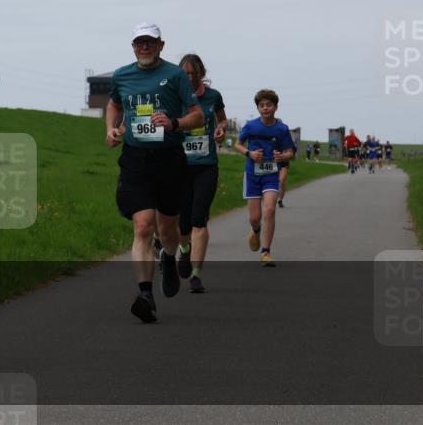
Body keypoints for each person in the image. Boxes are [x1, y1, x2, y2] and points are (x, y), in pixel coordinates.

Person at [105, 23, 204, 323]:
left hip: (170, 158)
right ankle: (145, 293)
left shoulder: (175, 75)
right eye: (139, 43)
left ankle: (169, 258)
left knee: (168, 229)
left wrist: (174, 123)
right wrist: (111, 127)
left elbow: (197, 115)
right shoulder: (122, 75)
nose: (144, 47)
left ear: (161, 45)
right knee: (143, 226)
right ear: (133, 46)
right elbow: (113, 103)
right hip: (135, 158)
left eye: (150, 42)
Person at [177, 54, 226, 294]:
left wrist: (220, 130)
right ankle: (184, 251)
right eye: (184, 74)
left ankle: (196, 275)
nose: (189, 77)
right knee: (182, 222)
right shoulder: (175, 97)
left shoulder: (213, 96)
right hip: (180, 166)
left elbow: (223, 121)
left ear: (201, 74)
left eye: (193, 74)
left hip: (206, 165)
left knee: (199, 219)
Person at [236, 90, 294, 267]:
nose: (265, 108)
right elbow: (238, 144)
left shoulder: (282, 129)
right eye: (261, 105)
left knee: (269, 210)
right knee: (255, 217)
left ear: (275, 107)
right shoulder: (251, 126)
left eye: (269, 105)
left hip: (271, 175)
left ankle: (266, 251)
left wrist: (282, 157)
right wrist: (250, 153)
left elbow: (290, 152)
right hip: (252, 174)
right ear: (258, 108)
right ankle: (255, 231)